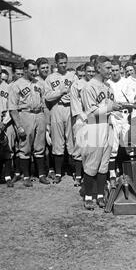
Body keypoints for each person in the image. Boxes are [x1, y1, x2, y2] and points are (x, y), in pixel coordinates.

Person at [80, 56, 121, 210]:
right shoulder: (89, 87)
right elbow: (91, 112)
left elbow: (110, 106)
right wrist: (111, 108)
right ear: (98, 69)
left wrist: (117, 108)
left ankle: (100, 195)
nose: (111, 71)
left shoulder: (109, 86)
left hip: (108, 125)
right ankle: (88, 196)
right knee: (92, 163)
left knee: (104, 164)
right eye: (108, 68)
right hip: (94, 126)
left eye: (111, 68)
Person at [8, 59, 50, 187]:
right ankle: (26, 176)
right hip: (25, 114)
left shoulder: (39, 83)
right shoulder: (17, 84)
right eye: (31, 70)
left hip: (39, 114)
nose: (34, 72)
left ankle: (41, 175)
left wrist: (46, 122)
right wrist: (18, 125)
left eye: (35, 70)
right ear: (25, 70)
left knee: (40, 146)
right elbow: (13, 108)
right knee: (25, 147)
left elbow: (44, 103)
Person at [44, 52, 78, 184]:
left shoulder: (73, 76)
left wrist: (67, 96)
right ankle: (58, 173)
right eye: (61, 63)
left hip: (70, 108)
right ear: (56, 64)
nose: (63, 65)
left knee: (72, 140)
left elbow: (76, 94)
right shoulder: (50, 78)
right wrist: (60, 92)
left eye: (65, 62)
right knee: (57, 141)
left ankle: (75, 171)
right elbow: (47, 96)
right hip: (56, 108)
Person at [69, 62, 95, 187]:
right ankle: (78, 176)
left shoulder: (96, 84)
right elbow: (75, 104)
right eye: (88, 71)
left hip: (95, 119)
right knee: (79, 148)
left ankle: (89, 175)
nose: (91, 73)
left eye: (93, 71)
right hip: (81, 119)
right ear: (84, 71)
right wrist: (85, 117)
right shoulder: (77, 84)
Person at [107, 59, 131, 185]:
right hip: (112, 116)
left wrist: (122, 105)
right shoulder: (107, 83)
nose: (115, 72)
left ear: (121, 70)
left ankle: (128, 173)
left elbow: (131, 100)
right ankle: (112, 175)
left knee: (127, 145)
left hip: (124, 115)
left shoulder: (126, 82)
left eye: (117, 70)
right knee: (113, 146)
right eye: (112, 70)